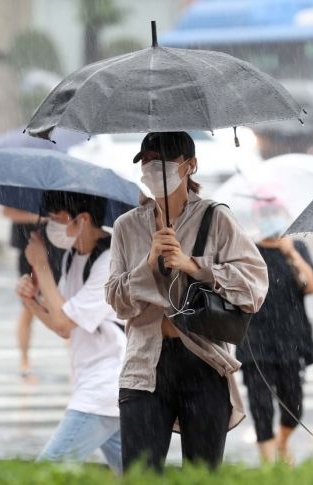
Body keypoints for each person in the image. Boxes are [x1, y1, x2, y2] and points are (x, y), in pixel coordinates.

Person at [105, 132, 268, 472]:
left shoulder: (216, 217)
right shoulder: (127, 226)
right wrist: (147, 265)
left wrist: (193, 265)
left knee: (202, 475)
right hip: (144, 365)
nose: (153, 168)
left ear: (190, 165)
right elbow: (117, 302)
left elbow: (254, 285)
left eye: (162, 161)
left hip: (203, 362)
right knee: (139, 475)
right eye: (147, 161)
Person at [14, 192, 125, 473]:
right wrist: (32, 301)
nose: (51, 225)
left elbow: (64, 322)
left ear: (83, 219)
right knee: (137, 474)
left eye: (57, 218)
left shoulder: (110, 262)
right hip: (94, 381)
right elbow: (62, 324)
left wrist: (41, 265)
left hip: (106, 385)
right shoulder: (73, 257)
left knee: (47, 470)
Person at [236, 231, 313, 464]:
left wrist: (290, 252)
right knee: (261, 406)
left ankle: (282, 443)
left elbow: (311, 285)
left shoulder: (296, 248)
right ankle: (269, 467)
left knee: (294, 405)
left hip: (290, 341)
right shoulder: (247, 251)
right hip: (255, 342)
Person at [2, 207, 64, 380]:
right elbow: (8, 212)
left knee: (65, 305)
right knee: (28, 304)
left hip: (57, 248)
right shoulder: (22, 187)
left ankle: (75, 359)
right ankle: (24, 360)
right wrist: (41, 217)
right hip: (29, 247)